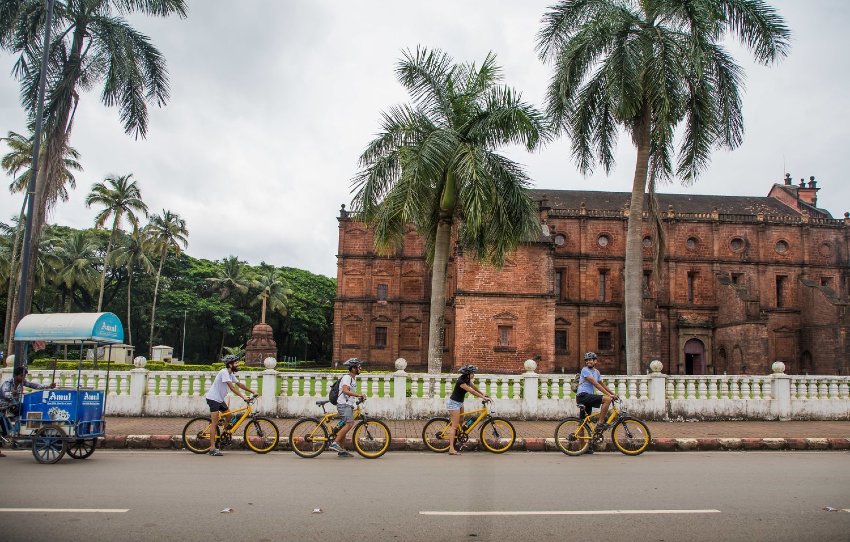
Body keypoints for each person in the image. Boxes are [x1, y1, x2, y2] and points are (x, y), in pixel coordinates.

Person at [204, 355, 257, 456]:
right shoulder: (224, 372)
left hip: (219, 400)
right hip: (213, 399)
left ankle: (224, 434)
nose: (238, 365)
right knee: (214, 423)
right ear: (230, 364)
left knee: (229, 416)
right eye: (236, 363)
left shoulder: (230, 374)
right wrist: (243, 397)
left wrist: (252, 391)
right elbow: (232, 387)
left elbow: (239, 384)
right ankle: (212, 449)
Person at [0, 366, 56, 457]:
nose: (23, 378)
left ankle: (15, 432)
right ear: (16, 376)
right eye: (22, 376)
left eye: (24, 376)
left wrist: (48, 386)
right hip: (2, 407)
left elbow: (34, 385)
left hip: (11, 407)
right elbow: (5, 393)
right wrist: (12, 393)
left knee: (21, 413)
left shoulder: (22, 382)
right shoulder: (8, 383)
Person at [575, 352, 618, 453]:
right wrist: (609, 396)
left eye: (591, 359)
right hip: (583, 396)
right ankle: (600, 423)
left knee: (583, 423)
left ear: (595, 361)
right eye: (587, 360)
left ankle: (583, 448)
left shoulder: (597, 372)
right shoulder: (584, 370)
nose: (588, 361)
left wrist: (613, 394)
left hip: (587, 397)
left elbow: (601, 384)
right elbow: (595, 384)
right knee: (607, 399)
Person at [446, 364, 491, 455]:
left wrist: (483, 393)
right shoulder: (461, 381)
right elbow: (471, 391)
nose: (474, 374)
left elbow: (474, 387)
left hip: (460, 403)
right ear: (468, 374)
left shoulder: (466, 379)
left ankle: (458, 439)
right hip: (453, 404)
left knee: (461, 421)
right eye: (472, 373)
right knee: (454, 426)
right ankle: (451, 449)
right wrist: (482, 397)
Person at [328, 358, 366, 458]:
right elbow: (345, 391)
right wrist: (358, 395)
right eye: (358, 366)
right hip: (343, 405)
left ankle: (342, 451)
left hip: (347, 405)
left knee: (343, 426)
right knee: (349, 424)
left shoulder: (352, 379)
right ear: (353, 368)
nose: (360, 368)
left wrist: (356, 399)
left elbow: (348, 393)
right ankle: (334, 443)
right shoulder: (347, 377)